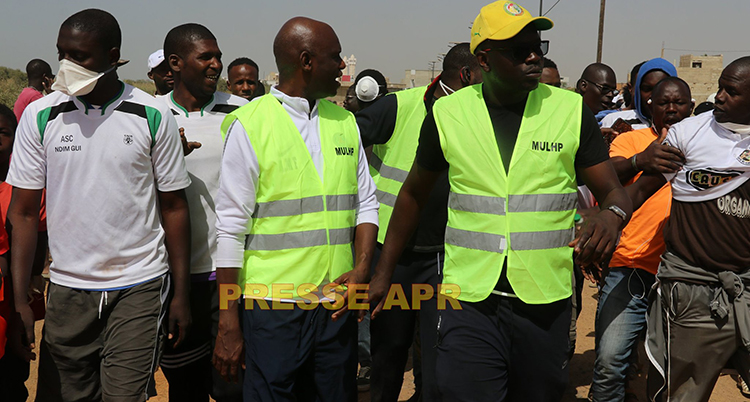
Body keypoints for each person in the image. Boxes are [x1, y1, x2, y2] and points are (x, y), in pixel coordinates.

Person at [370, 2, 631, 400]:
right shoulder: (448, 114)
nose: (533, 57)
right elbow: (412, 195)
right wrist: (384, 272)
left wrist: (612, 215)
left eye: (537, 47)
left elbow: (613, 191)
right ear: (484, 59)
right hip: (469, 300)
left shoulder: (569, 111)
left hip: (545, 301)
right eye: (518, 50)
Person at [6, 9, 192, 401]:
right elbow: (22, 212)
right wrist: (20, 298)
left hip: (139, 286)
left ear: (112, 56)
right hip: (68, 288)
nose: (66, 66)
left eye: (79, 56)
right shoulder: (41, 116)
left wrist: (180, 293)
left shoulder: (151, 113)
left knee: (124, 396)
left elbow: (174, 207)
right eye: (61, 54)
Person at [212, 16, 379, 401]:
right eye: (335, 58)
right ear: (306, 61)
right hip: (273, 308)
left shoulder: (345, 121)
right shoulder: (250, 125)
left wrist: (363, 267)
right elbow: (230, 230)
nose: (342, 66)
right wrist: (228, 319)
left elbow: (366, 203)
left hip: (336, 305)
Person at [358, 42, 481, 402]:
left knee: (437, 349)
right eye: (482, 76)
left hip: (443, 256)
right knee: (389, 349)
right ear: (466, 75)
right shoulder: (400, 106)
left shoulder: (478, 115)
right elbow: (342, 142)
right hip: (392, 257)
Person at [625, 56, 750, 402]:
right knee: (679, 394)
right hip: (694, 293)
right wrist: (610, 216)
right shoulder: (688, 133)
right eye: (720, 87)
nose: (719, 97)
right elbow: (639, 190)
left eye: (732, 92)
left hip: (748, 286)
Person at [589, 77, 693, 402]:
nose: (672, 109)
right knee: (609, 360)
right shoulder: (633, 141)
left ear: (691, 108)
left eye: (679, 103)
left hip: (686, 276)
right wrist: (641, 160)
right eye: (664, 103)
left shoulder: (705, 146)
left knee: (672, 369)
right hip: (630, 267)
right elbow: (608, 173)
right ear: (650, 105)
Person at [159, 23, 247, 402]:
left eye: (218, 57)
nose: (216, 65)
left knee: (233, 386)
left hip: (230, 275)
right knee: (185, 387)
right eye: (206, 57)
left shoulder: (242, 112)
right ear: (176, 63)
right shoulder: (152, 115)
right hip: (172, 279)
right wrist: (163, 159)